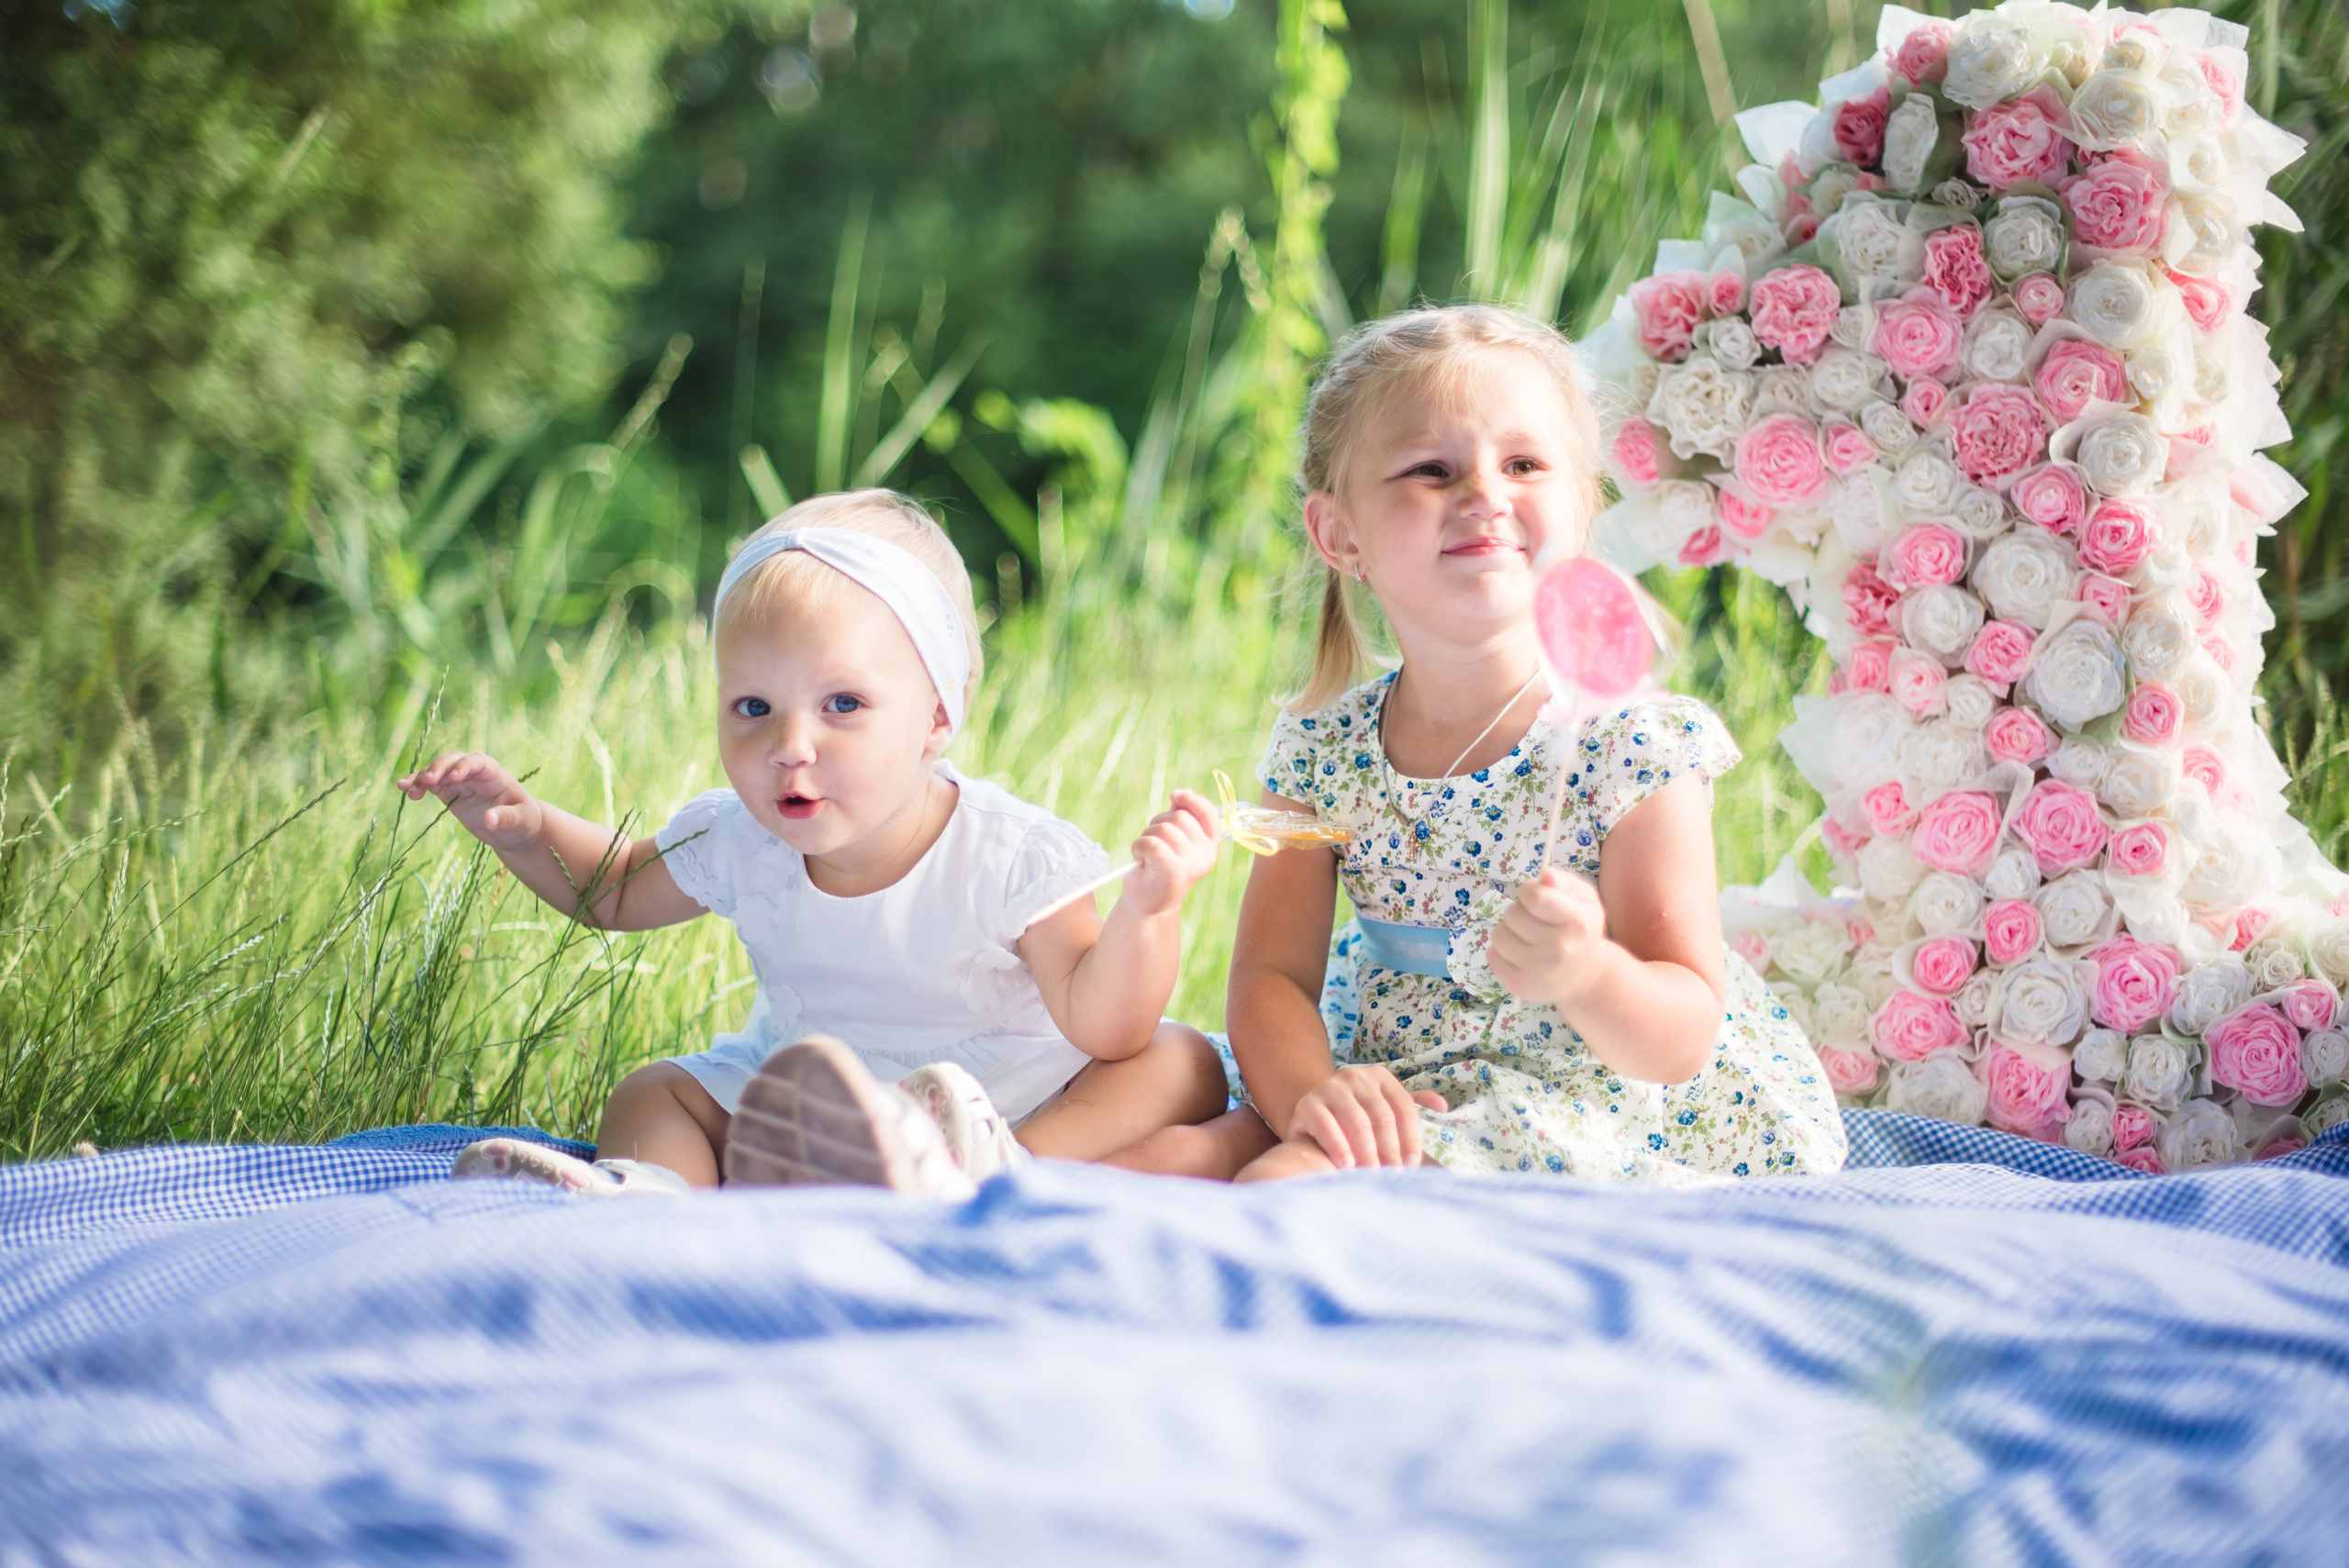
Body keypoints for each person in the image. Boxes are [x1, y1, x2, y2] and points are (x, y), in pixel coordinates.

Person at [1172, 304, 1847, 1185]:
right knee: (1195, 1141)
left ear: (1580, 502)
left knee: (1278, 1184)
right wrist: (1315, 1098)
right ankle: (1002, 1205)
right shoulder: (1325, 752)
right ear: (1340, 534)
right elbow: (1271, 977)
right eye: (1431, 469)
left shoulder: (1631, 747)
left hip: (1594, 1099)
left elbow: (1683, 1028)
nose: (1484, 492)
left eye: (1524, 464)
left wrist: (1588, 971)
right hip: (1391, 1069)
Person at [395, 489, 1230, 1198]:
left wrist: (1149, 910)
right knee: (655, 1092)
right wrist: (527, 826)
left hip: (999, 1100)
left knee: (1181, 1060)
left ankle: (995, 1170)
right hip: (805, 1103)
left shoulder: (1008, 856)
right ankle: (649, 1197)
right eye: (754, 708)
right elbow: (610, 890)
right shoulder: (740, 839)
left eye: (842, 705)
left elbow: (1106, 1025)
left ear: (938, 715)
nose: (791, 744)